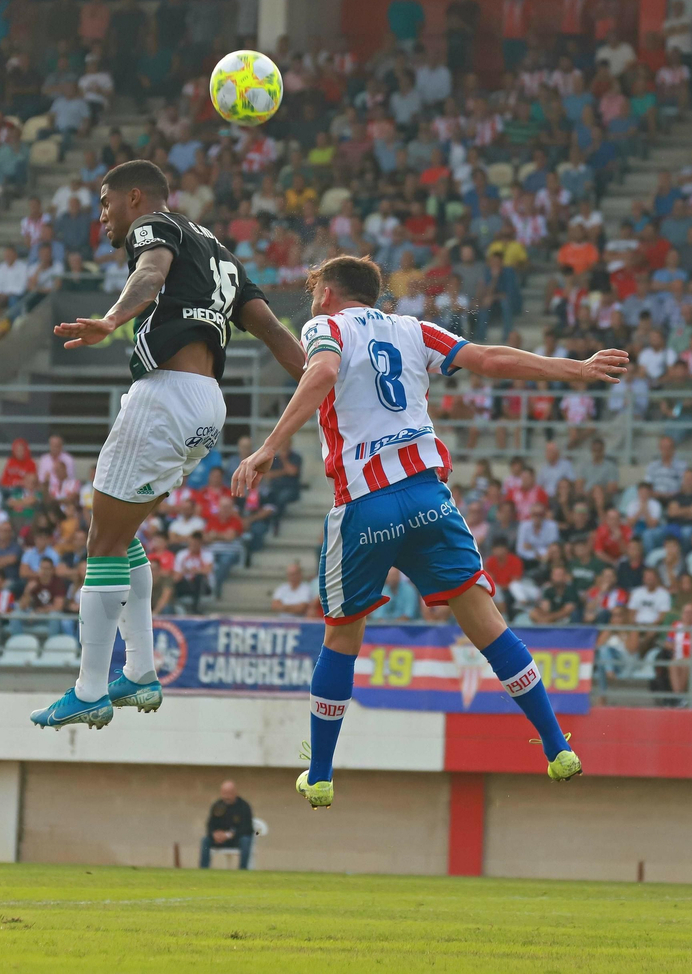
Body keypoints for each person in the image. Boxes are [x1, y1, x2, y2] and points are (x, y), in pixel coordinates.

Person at [231, 255, 628, 807]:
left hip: (365, 504)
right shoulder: (413, 329)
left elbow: (320, 372)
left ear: (326, 294)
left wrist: (268, 447)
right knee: (486, 623)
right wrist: (577, 369)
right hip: (426, 498)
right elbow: (488, 358)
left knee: (342, 635)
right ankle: (557, 746)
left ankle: (320, 774)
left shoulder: (325, 327)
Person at [29, 160, 305, 731]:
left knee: (101, 542)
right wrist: (325, 393)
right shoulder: (220, 254)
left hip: (164, 398)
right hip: (208, 406)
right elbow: (276, 333)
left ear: (135, 198)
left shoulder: (153, 226)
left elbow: (151, 274)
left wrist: (111, 320)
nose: (102, 216)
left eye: (106, 203)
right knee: (121, 535)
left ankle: (89, 689)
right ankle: (141, 672)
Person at [198, 779, 254, 870]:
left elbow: (247, 828)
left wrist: (229, 835)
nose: (226, 796)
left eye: (229, 793)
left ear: (235, 792)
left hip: (236, 840)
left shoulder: (244, 806)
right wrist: (214, 834)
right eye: (224, 793)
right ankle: (203, 869)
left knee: (246, 840)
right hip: (220, 840)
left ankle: (243, 870)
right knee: (205, 840)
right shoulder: (217, 805)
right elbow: (210, 824)